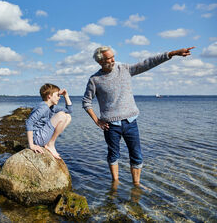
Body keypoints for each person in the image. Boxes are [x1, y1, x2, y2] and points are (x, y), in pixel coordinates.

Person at [82, 45, 195, 187]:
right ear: (100, 62)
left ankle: (136, 185)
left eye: (113, 56)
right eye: (109, 58)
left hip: (131, 122)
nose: (113, 60)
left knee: (136, 155)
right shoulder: (95, 80)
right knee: (113, 155)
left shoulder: (124, 69)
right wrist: (97, 121)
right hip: (110, 126)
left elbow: (148, 63)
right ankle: (115, 184)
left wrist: (172, 53)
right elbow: (86, 102)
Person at [26, 83, 72, 159]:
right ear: (49, 96)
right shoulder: (43, 107)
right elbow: (29, 123)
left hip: (43, 136)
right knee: (61, 115)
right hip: (37, 138)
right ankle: (50, 144)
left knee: (68, 117)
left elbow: (69, 110)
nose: (59, 97)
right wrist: (31, 145)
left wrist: (66, 95)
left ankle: (50, 143)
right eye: (57, 95)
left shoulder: (52, 107)